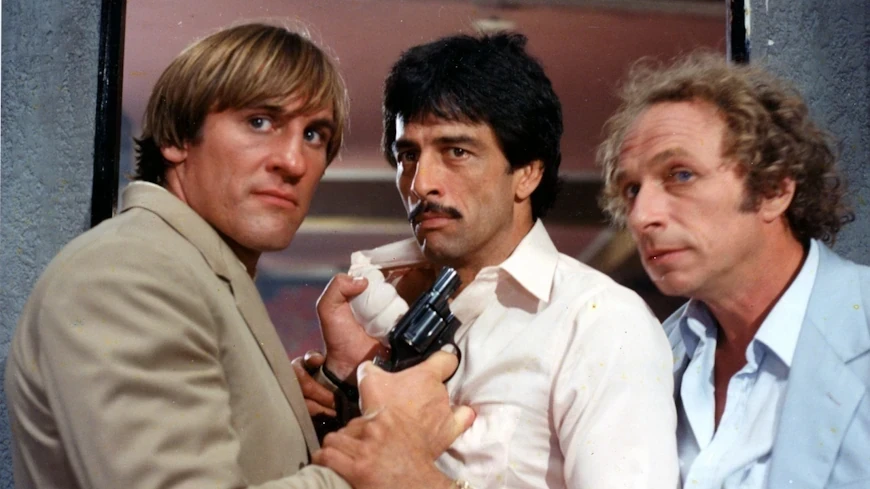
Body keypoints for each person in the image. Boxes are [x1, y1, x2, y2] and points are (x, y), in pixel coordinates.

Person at [4, 22, 471, 489]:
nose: (293, 162)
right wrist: (379, 463)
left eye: (313, 135)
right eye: (260, 122)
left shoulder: (195, 273)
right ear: (177, 138)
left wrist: (339, 387)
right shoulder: (129, 274)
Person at [303, 33, 679, 489]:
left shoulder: (599, 321)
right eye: (408, 155)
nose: (421, 183)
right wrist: (342, 382)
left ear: (527, 173)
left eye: (456, 152)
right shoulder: (389, 304)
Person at [597, 52, 870, 488]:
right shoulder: (648, 355)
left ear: (773, 189)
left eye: (680, 175)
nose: (643, 215)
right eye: (631, 189)